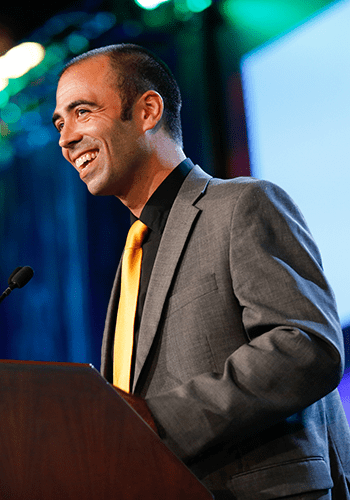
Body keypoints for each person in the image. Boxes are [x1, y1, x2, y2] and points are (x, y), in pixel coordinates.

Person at [53, 43, 350, 499]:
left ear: (148, 110)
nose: (66, 138)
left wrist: (158, 420)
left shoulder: (242, 205)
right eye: (60, 122)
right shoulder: (132, 254)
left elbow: (305, 346)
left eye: (82, 112)